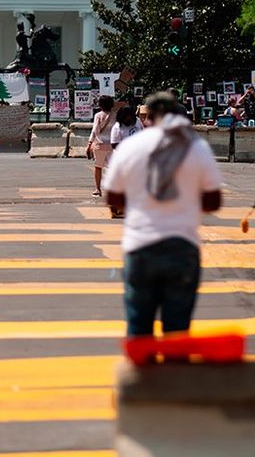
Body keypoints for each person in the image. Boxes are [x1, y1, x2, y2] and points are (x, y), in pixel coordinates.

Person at [103, 92, 223, 338]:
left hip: (140, 246)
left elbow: (112, 197)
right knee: (177, 331)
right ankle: (175, 359)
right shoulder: (196, 147)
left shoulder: (131, 147)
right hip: (182, 245)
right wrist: (186, 203)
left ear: (149, 118)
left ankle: (141, 361)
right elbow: (214, 201)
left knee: (139, 328)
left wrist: (138, 204)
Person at [86, 95, 116, 196]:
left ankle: (98, 189)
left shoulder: (98, 115)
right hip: (112, 145)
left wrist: (90, 143)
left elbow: (95, 130)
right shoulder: (115, 115)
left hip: (100, 144)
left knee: (98, 167)